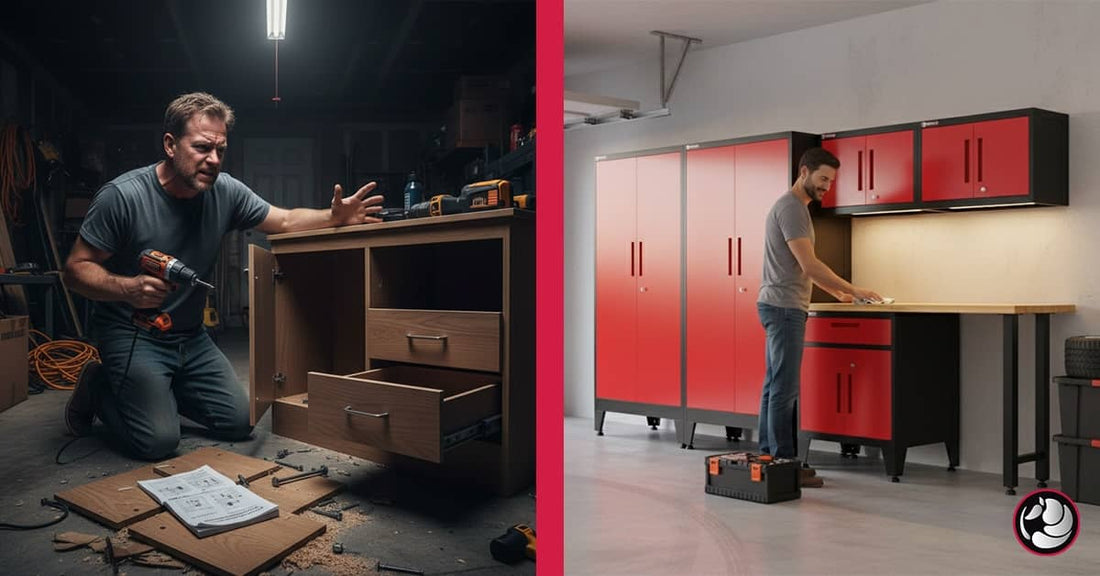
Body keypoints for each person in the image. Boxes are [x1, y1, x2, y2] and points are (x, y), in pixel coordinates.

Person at [63, 92, 384, 459]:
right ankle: (98, 385)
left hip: (190, 337)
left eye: (221, 150)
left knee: (240, 421)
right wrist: (128, 288)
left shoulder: (225, 191)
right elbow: (74, 270)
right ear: (170, 144)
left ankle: (159, 392)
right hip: (133, 333)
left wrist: (334, 218)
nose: (213, 160)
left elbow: (284, 220)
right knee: (158, 442)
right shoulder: (122, 197)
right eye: (202, 147)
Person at [756, 147, 881, 488]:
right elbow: (810, 265)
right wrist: (854, 289)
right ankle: (785, 465)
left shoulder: (795, 208)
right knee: (784, 390)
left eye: (831, 181)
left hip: (777, 305)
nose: (827, 186)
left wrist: (837, 292)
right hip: (784, 308)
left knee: (774, 386)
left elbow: (801, 265)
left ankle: (770, 460)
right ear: (804, 172)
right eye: (823, 178)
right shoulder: (792, 208)